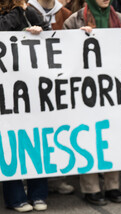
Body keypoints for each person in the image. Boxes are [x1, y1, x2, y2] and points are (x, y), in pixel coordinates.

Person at [63, 0, 121, 206]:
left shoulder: (120, 18)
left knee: (112, 133)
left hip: (113, 89)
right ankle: (91, 187)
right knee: (87, 136)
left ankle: (112, 185)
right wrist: (76, 39)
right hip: (85, 90)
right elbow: (62, 54)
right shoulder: (74, 21)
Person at [0, 1, 48, 212]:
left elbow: (50, 35)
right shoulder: (13, 13)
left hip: (32, 89)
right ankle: (15, 197)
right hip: (6, 90)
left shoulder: (32, 12)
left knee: (36, 138)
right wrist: (18, 12)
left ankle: (38, 194)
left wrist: (39, 31)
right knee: (10, 140)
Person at [27, 0, 75, 195]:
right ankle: (26, 177)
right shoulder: (26, 11)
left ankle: (56, 178)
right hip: (28, 82)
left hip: (57, 83)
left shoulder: (64, 13)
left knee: (57, 130)